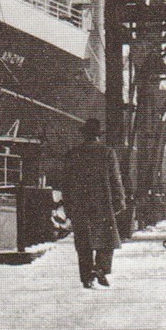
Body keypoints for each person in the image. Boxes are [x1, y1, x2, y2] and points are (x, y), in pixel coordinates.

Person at [57, 118, 126, 288]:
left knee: (83, 243)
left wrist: (68, 205)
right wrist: (119, 200)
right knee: (107, 240)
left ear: (84, 135)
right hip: (103, 203)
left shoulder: (73, 153)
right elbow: (115, 179)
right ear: (98, 135)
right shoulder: (107, 152)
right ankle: (101, 268)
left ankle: (86, 277)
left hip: (79, 204)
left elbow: (65, 182)